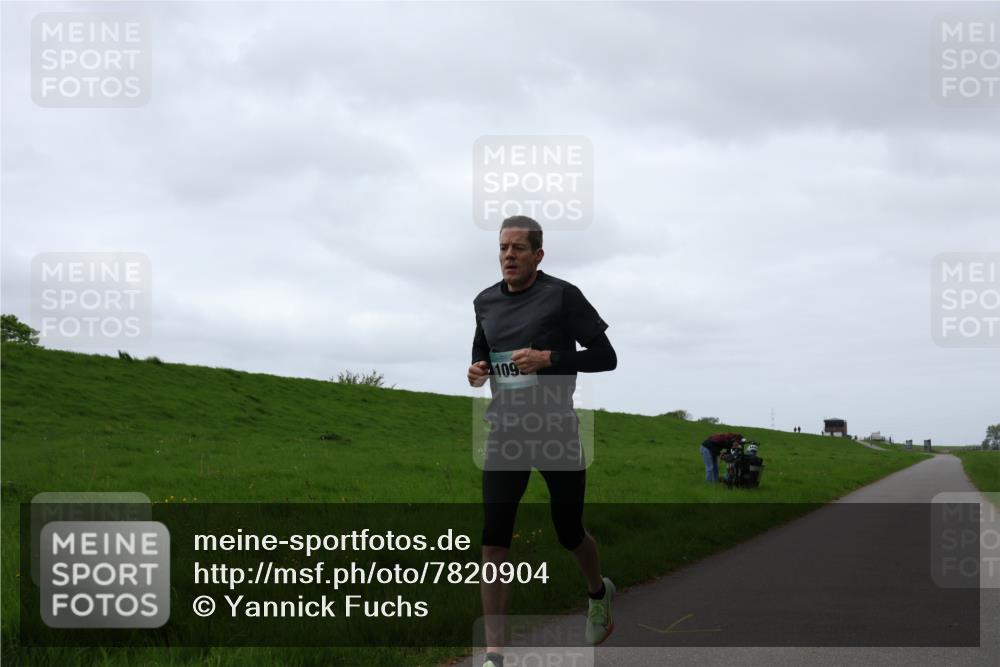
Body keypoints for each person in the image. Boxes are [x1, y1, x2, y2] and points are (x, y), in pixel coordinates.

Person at [468, 216, 618, 667]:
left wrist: (547, 358)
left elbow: (607, 358)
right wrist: (477, 370)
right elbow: (482, 352)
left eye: (517, 248)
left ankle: (598, 592)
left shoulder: (562, 296)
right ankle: (495, 653)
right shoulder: (484, 302)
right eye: (502, 248)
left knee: (568, 531)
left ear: (538, 254)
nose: (508, 256)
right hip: (506, 435)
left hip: (556, 432)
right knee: (494, 542)